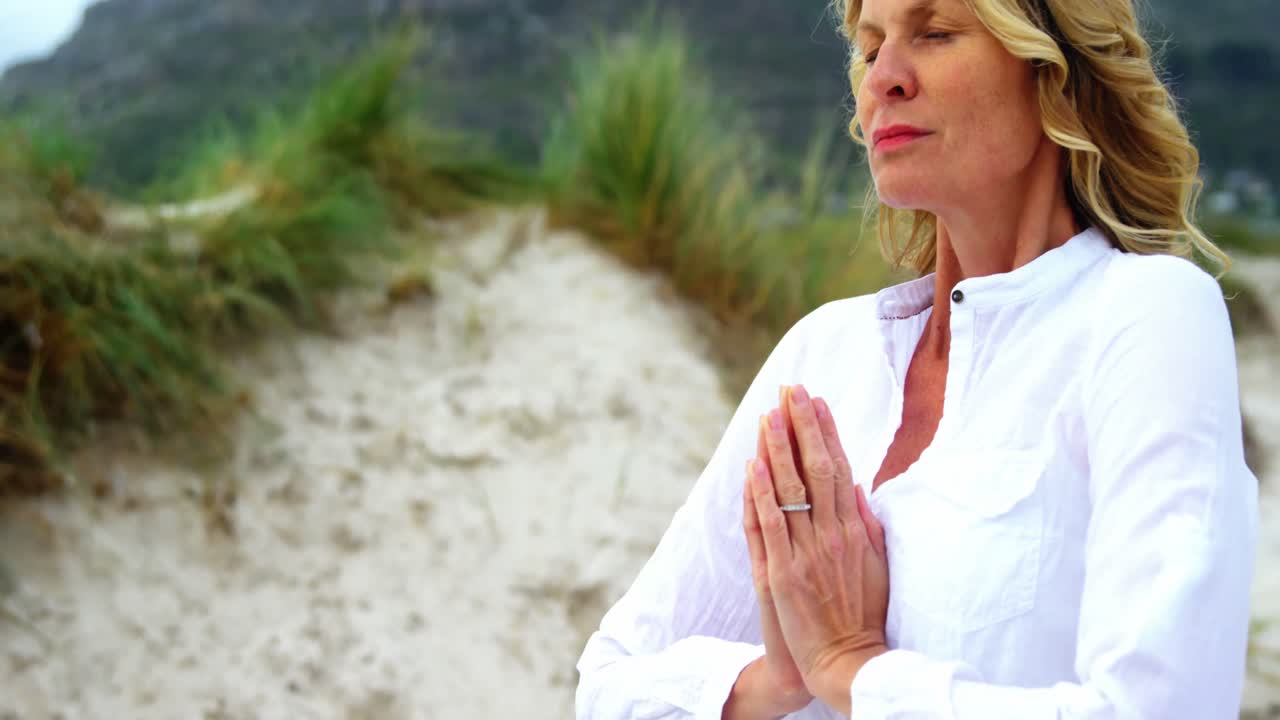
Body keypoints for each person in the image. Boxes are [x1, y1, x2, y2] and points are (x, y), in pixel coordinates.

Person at [575, 0, 1260, 716]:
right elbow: (608, 683)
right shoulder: (824, 352)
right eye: (871, 50)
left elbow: (1158, 706)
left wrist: (852, 669)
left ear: (1053, 70)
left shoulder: (1145, 314)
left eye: (934, 34)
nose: (885, 80)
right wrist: (780, 677)